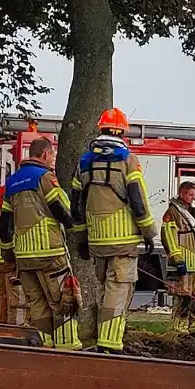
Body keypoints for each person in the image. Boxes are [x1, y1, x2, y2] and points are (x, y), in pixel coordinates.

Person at [69, 107, 156, 353]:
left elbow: (76, 203)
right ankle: (109, 344)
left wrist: (82, 238)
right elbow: (138, 202)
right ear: (122, 133)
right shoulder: (129, 161)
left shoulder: (84, 162)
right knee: (117, 291)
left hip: (97, 239)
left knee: (103, 288)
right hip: (124, 240)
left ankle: (101, 339)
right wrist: (149, 232)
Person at [0, 137, 83, 349]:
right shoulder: (45, 177)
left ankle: (45, 347)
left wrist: (9, 253)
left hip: (25, 257)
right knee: (63, 302)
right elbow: (60, 208)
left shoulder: (12, 182)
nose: (52, 159)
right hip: (50, 252)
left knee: (38, 304)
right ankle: (67, 348)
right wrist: (76, 229)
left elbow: (5, 224)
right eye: (52, 155)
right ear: (45, 154)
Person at [161, 181, 195, 335]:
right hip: (183, 261)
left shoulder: (193, 212)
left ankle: (193, 326)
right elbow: (168, 236)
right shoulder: (173, 212)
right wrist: (177, 259)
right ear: (182, 193)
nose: (192, 198)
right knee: (183, 297)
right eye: (190, 194)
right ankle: (178, 329)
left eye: (194, 195)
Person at [0, 184, 28, 326]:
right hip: (13, 257)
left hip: (0, 257)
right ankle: (16, 331)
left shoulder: (3, 192)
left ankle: (2, 329)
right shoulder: (21, 191)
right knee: (18, 299)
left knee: (3, 298)